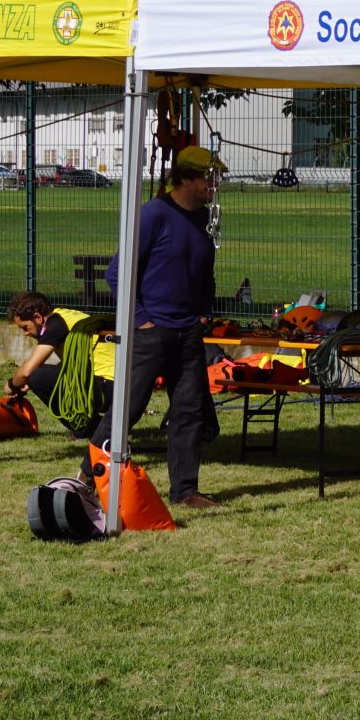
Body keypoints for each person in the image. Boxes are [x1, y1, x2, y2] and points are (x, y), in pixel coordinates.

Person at [105, 144, 226, 510]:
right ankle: (89, 475)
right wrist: (142, 319)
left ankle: (186, 491)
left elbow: (206, 273)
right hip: (151, 331)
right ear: (186, 178)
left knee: (188, 410)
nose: (214, 185)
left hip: (189, 331)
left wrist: (203, 312)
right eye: (209, 177)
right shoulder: (154, 214)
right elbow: (117, 274)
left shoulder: (206, 219)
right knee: (128, 408)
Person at [6, 291, 117, 435]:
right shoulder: (66, 316)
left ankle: (87, 429)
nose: (25, 333)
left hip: (110, 388)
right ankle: (100, 427)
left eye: (25, 327)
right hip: (122, 386)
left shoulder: (56, 324)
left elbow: (27, 371)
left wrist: (11, 385)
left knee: (37, 377)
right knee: (47, 373)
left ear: (38, 318)